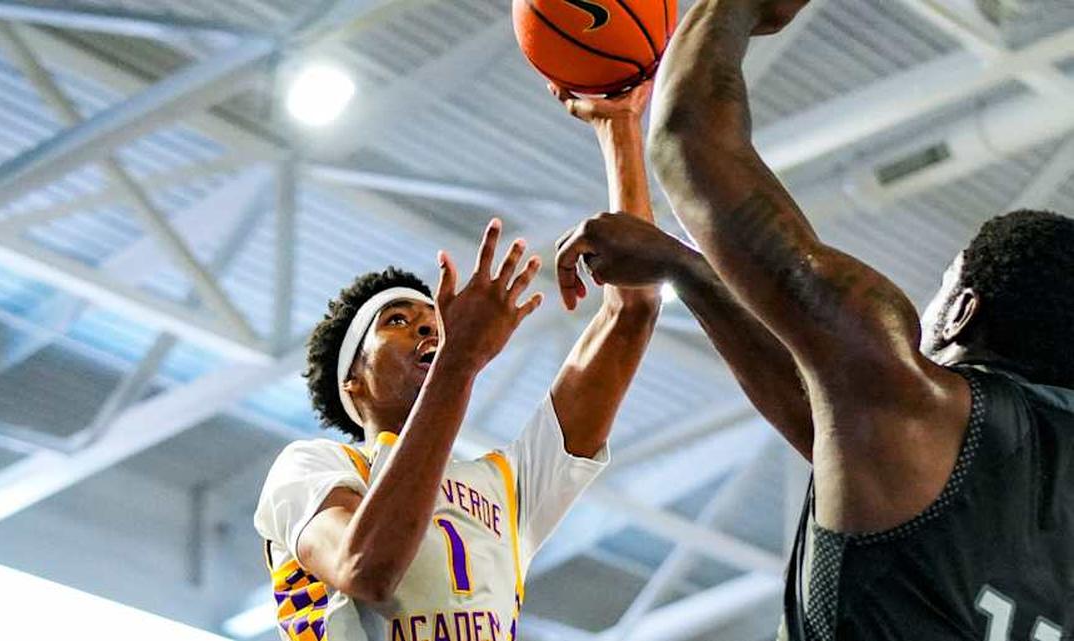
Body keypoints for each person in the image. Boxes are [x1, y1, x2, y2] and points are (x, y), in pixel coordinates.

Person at [552, 1, 1074, 640]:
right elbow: (825, 412)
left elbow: (688, 140)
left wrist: (737, 9)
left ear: (962, 311)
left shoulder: (913, 408)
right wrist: (685, 271)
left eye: (942, 288)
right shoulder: (932, 448)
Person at [252, 82, 661, 640]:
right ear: (353, 385)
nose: (425, 324)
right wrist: (457, 364)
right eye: (395, 320)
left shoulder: (508, 486)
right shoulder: (312, 468)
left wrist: (619, 129)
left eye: (431, 318)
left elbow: (632, 310)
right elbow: (365, 568)